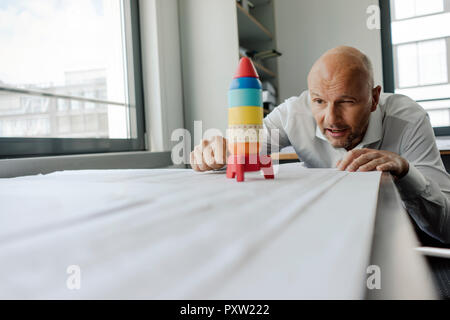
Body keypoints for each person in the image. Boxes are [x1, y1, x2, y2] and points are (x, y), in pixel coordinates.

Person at [190, 46, 450, 244]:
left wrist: (405, 171)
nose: (331, 119)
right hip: (331, 239)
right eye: (319, 101)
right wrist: (217, 151)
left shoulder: (408, 120)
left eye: (346, 102)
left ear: (373, 98)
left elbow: (446, 227)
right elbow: (246, 149)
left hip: (400, 246)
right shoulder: (294, 113)